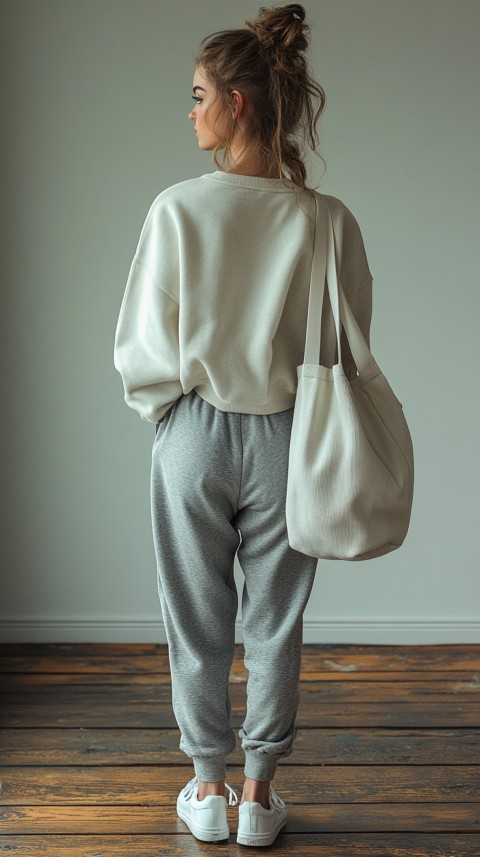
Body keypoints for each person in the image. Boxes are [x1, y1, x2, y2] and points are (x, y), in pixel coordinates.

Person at [114, 2, 372, 847]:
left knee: (193, 616)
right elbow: (346, 341)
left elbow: (142, 345)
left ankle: (207, 786)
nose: (188, 112)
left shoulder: (177, 209)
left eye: (197, 95)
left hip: (194, 432)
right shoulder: (326, 219)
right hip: (290, 437)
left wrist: (172, 410)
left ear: (241, 102)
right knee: (275, 619)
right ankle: (260, 795)